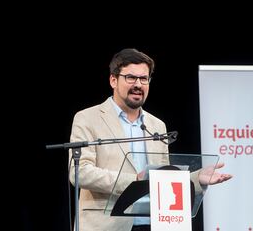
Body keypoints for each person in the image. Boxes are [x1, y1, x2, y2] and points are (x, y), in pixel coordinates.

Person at [68, 48, 232, 231]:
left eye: (144, 79)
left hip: (152, 223)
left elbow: (163, 178)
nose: (138, 84)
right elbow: (80, 172)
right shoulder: (88, 118)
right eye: (131, 77)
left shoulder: (157, 126)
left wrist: (196, 178)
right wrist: (134, 181)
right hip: (106, 224)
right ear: (113, 80)